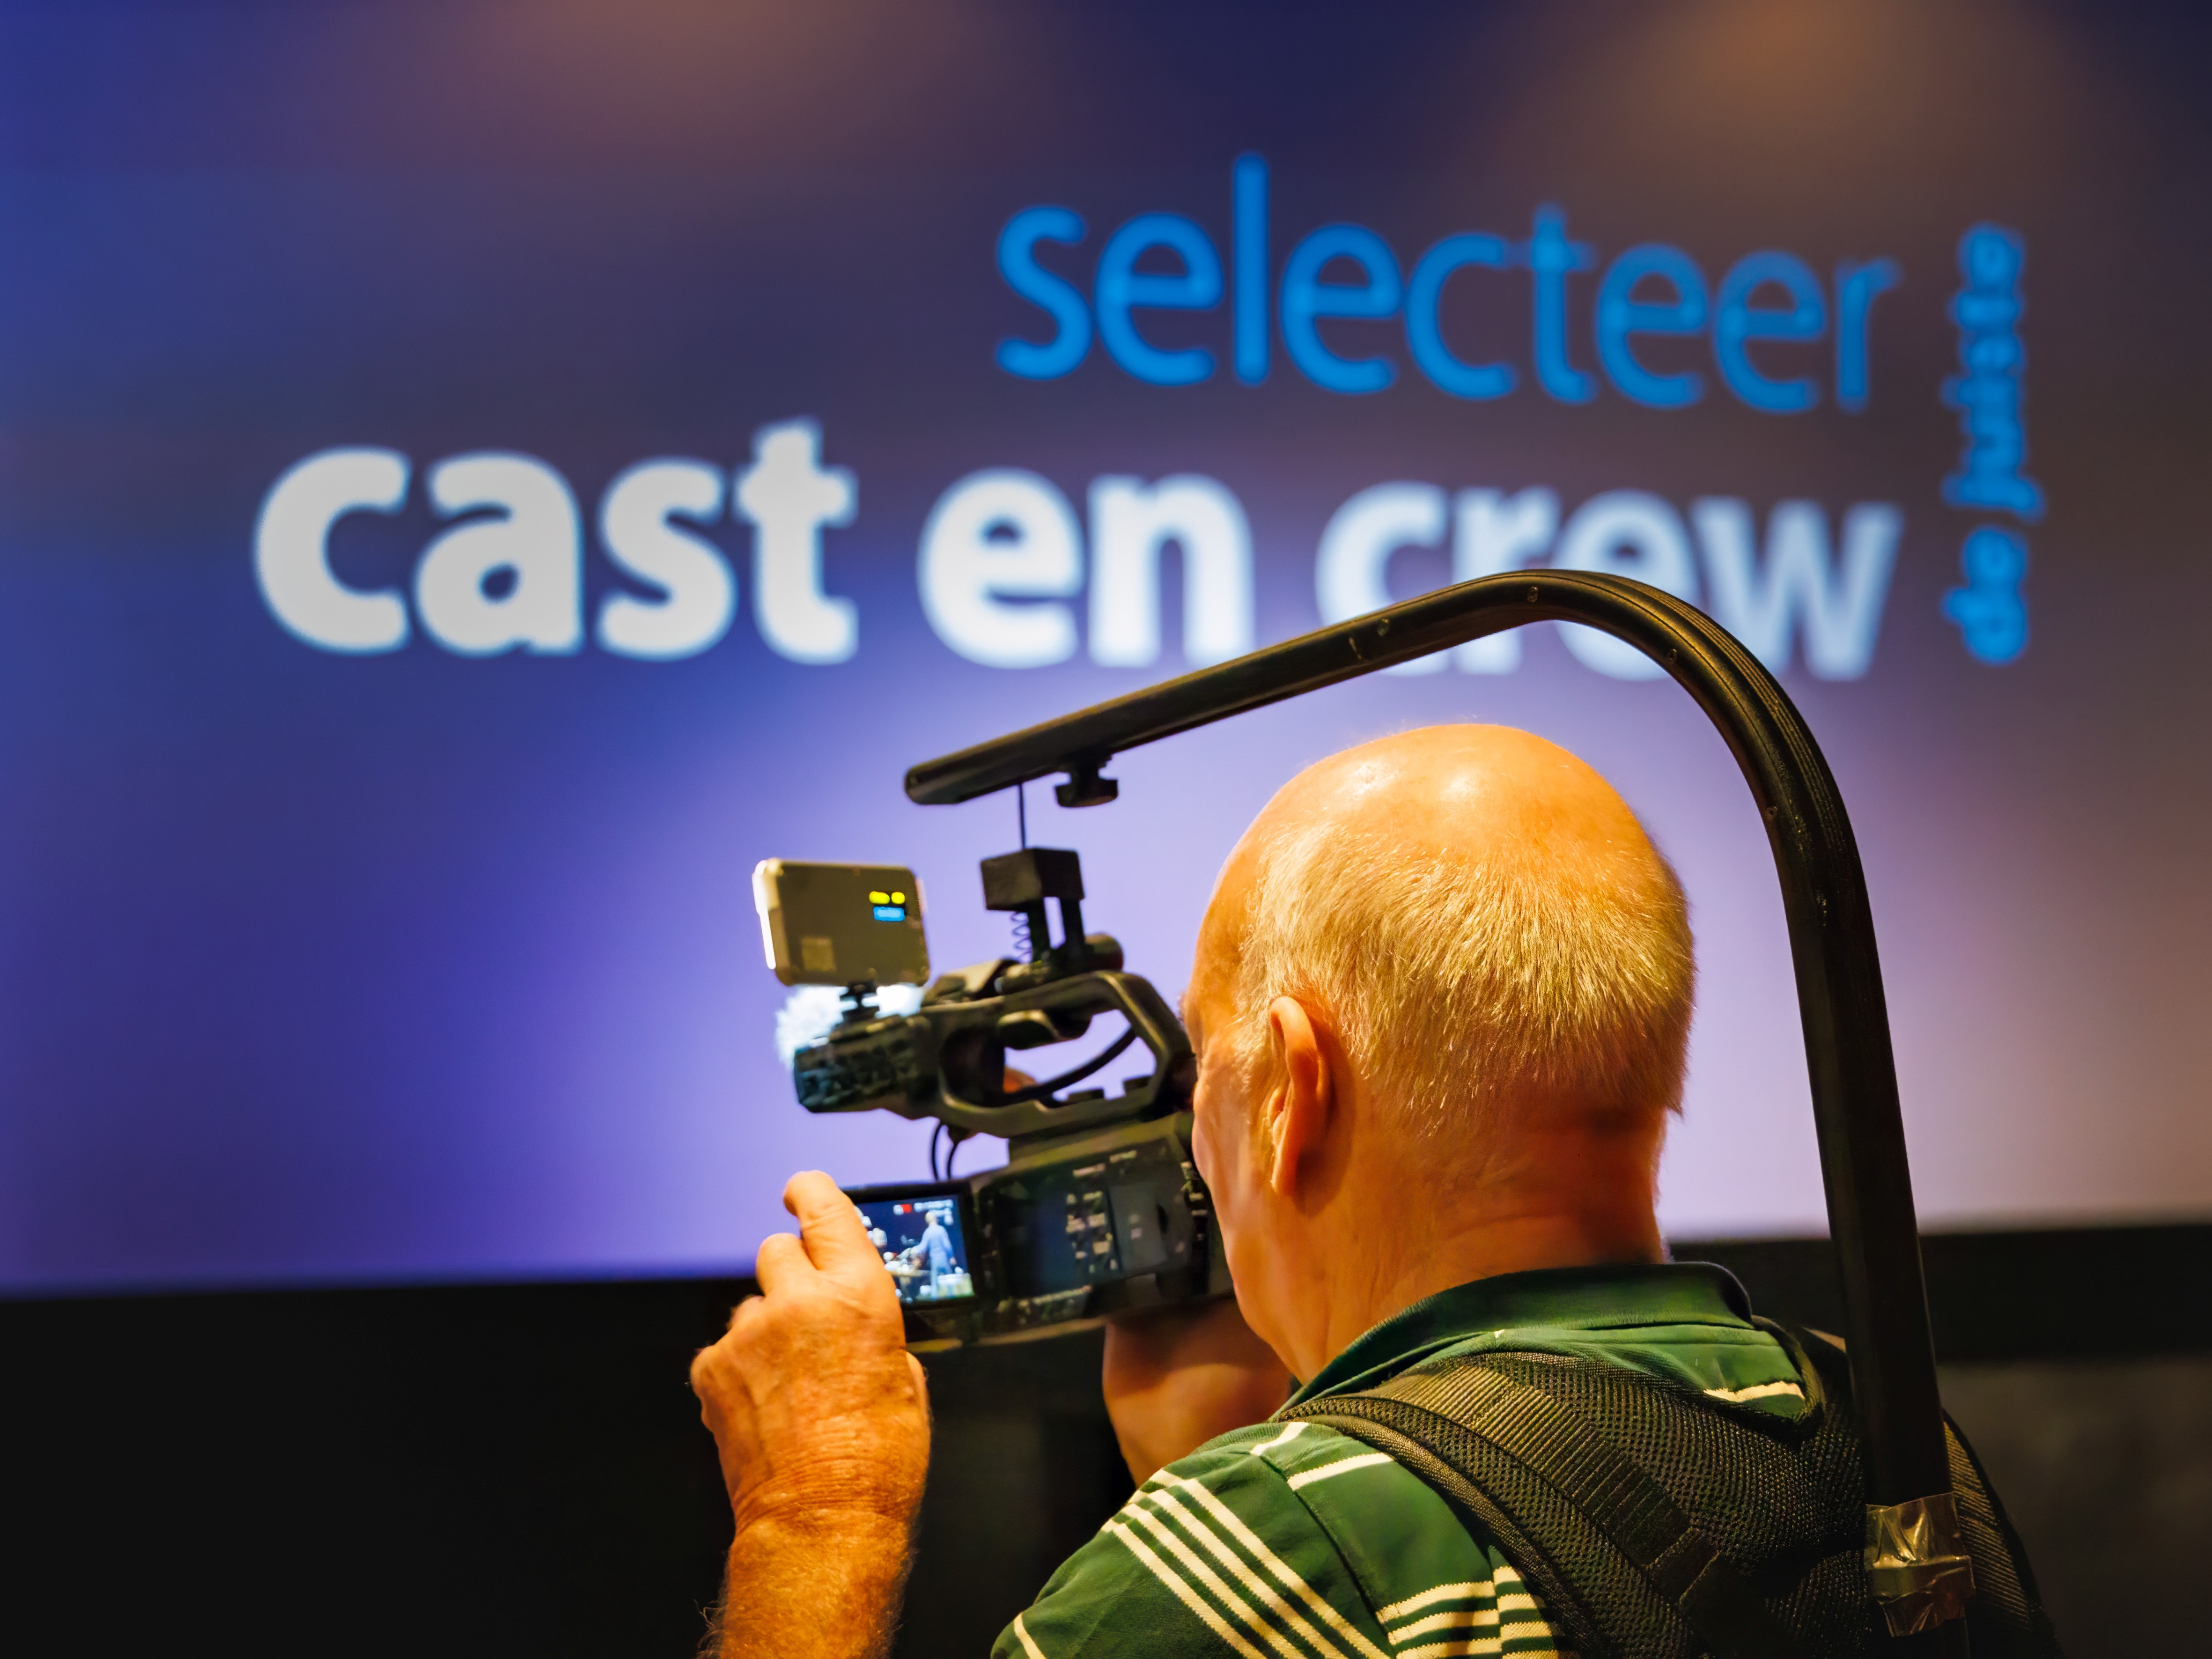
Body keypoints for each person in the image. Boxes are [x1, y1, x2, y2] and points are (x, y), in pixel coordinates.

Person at [686, 725, 2037, 1658]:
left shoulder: (1276, 1558)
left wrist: (818, 1522)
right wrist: (1211, 1462)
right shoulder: (1893, 1451)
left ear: (1291, 1086)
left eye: (1206, 1067)